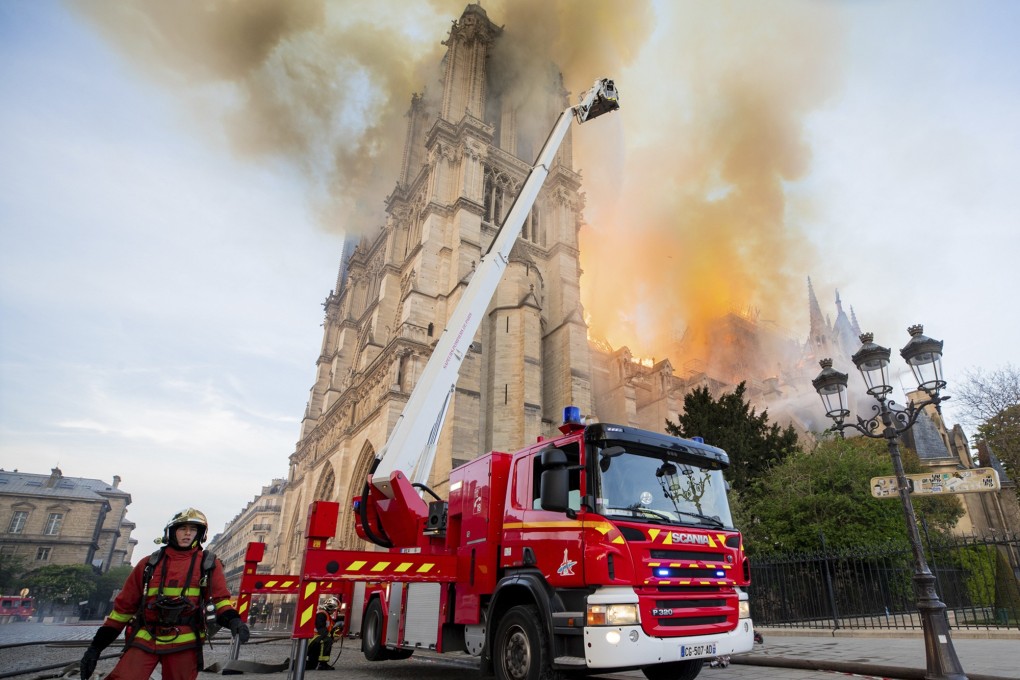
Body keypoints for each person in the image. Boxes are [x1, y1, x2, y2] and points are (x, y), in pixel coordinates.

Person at [79, 508, 250, 680]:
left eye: (193, 529)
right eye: (182, 528)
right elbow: (123, 610)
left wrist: (234, 621)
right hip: (146, 637)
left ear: (200, 534)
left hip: (185, 642)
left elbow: (219, 601)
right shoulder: (148, 564)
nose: (187, 533)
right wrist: (95, 648)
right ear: (171, 532)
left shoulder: (208, 565)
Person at [306, 596, 342, 670]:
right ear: (330, 607)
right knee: (327, 640)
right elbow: (321, 629)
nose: (334, 612)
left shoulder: (326, 615)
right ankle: (323, 664)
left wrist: (336, 635)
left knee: (311, 666)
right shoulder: (321, 614)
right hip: (313, 639)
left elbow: (329, 630)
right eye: (334, 609)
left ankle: (293, 664)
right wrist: (332, 638)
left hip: (316, 640)